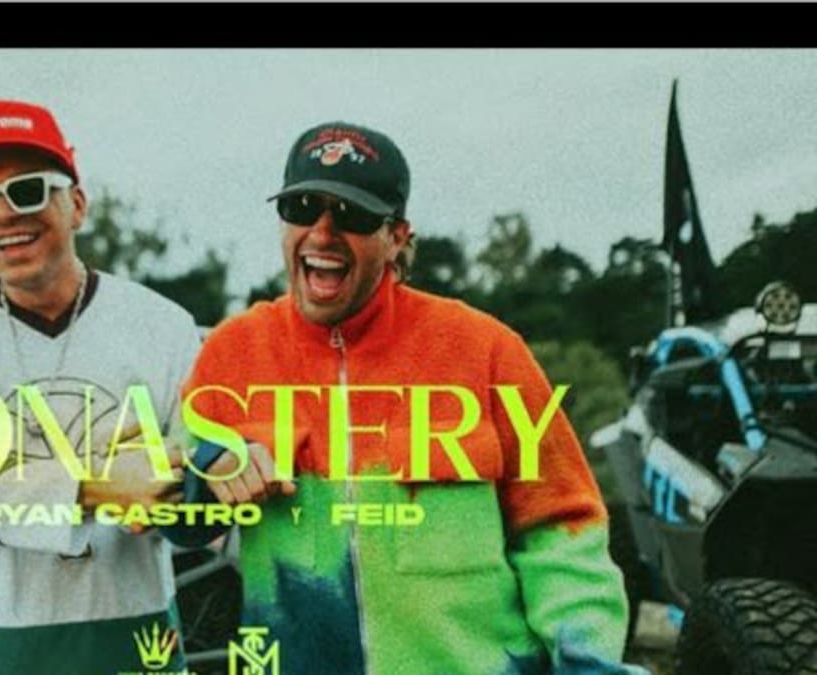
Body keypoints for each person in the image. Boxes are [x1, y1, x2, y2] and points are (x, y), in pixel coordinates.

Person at [167, 121, 638, 674]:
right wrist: (207, 468)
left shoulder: (487, 351)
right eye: (302, 208)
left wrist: (589, 664)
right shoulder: (233, 352)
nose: (322, 232)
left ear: (396, 238)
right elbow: (172, 512)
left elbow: (564, 536)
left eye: (352, 215)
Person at [0, 99, 199, 673]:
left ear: (76, 204)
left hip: (130, 638)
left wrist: (183, 487)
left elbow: (192, 491)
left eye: (28, 191)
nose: (3, 215)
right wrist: (97, 483)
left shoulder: (165, 328)